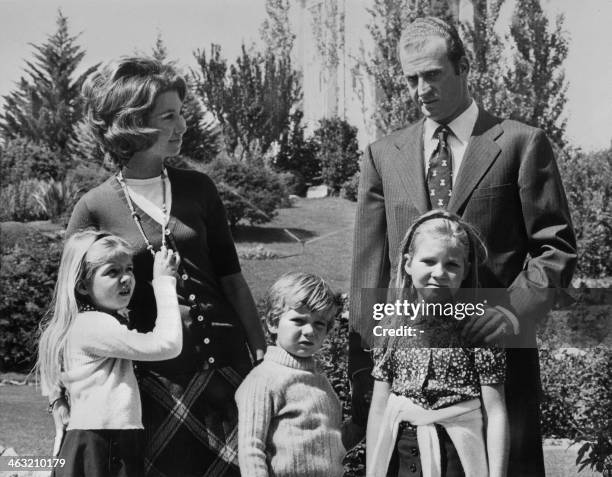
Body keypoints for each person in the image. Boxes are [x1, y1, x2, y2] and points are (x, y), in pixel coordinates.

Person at [349, 17, 577, 477]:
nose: (420, 89)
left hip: (499, 371)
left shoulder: (519, 143)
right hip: (407, 382)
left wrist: (510, 309)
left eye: (432, 74)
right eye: (411, 78)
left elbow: (557, 248)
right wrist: (364, 369)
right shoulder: (382, 155)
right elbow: (369, 269)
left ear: (464, 66)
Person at [51, 57, 266, 476]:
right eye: (169, 116)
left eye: (181, 113)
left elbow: (232, 278)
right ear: (133, 124)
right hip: (155, 378)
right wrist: (58, 398)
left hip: (227, 366)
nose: (182, 126)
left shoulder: (200, 188)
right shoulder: (94, 205)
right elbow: (67, 310)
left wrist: (261, 353)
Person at [366, 211, 509, 477]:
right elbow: (379, 409)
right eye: (429, 261)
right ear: (408, 264)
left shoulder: (478, 329)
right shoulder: (391, 324)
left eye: (452, 265)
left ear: (465, 270)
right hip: (400, 454)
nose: (439, 273)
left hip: (458, 455)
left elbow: (496, 412)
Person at [38, 231, 181, 477]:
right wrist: (165, 283)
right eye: (112, 272)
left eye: (129, 269)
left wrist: (56, 401)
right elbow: (167, 345)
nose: (126, 278)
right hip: (104, 443)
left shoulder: (81, 323)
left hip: (100, 439)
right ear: (82, 285)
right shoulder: (93, 325)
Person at [235, 272, 346, 477]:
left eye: (319, 323)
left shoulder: (320, 381)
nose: (310, 331)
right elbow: (251, 449)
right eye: (298, 320)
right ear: (273, 323)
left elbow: (328, 440)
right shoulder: (263, 380)